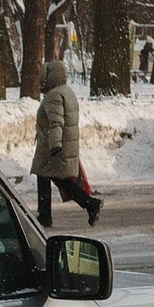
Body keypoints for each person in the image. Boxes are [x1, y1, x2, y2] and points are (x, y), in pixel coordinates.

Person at [29, 53, 102, 227]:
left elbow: (56, 122)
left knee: (53, 178)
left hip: (53, 146)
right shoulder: (66, 91)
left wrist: (55, 145)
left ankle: (89, 204)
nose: (41, 80)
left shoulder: (54, 95)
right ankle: (49, 213)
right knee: (54, 178)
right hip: (63, 144)